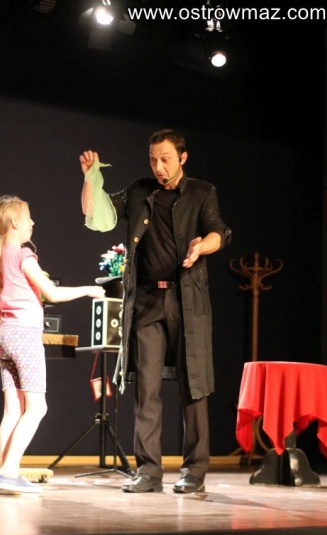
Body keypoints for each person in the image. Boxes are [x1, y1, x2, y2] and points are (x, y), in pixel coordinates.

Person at [79, 129, 232, 494]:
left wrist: (202, 247)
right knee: (146, 388)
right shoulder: (139, 191)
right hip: (147, 300)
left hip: (187, 300)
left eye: (165, 159)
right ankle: (148, 471)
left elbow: (219, 231)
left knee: (193, 385)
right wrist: (89, 179)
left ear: (182, 157)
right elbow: (97, 213)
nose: (159, 167)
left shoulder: (202, 192)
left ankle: (194, 472)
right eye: (153, 160)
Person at [0, 195, 105, 494]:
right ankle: (9, 473)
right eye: (28, 218)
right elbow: (53, 293)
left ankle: (5, 473)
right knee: (37, 408)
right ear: (15, 222)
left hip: (5, 335)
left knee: (12, 411)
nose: (33, 222)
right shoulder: (23, 255)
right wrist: (90, 289)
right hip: (24, 336)